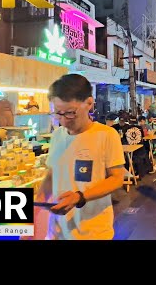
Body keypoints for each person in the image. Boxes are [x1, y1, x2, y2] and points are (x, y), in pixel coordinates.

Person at [35, 74, 125, 240]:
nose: (63, 120)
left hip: (93, 233)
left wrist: (80, 197)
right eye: (58, 113)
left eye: (70, 113)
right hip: (56, 233)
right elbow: (51, 177)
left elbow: (117, 178)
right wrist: (31, 218)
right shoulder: (57, 136)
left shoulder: (106, 135)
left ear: (89, 103)